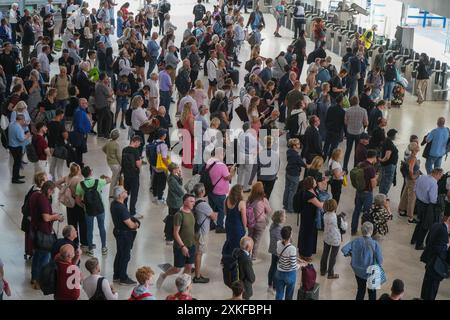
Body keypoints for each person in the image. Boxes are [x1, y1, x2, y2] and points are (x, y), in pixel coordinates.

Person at [157, 194, 197, 289]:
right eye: (191, 201)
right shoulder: (179, 215)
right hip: (180, 247)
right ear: (184, 202)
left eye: (194, 201)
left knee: (188, 267)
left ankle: (184, 285)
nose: (193, 203)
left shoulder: (191, 212)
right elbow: (175, 233)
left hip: (191, 245)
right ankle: (164, 275)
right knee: (177, 269)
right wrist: (183, 246)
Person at [29, 180, 64, 290]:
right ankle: (39, 282)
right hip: (43, 232)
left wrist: (51, 214)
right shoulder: (43, 199)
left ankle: (34, 277)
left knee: (37, 256)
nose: (52, 193)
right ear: (49, 189)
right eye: (52, 191)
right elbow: (45, 218)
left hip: (35, 229)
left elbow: (40, 213)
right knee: (45, 258)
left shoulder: (35, 195)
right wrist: (56, 217)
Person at [342, 222, 383, 300]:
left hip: (358, 271)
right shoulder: (375, 244)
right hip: (371, 272)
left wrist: (351, 254)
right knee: (372, 292)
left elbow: (344, 249)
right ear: (371, 231)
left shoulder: (356, 241)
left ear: (362, 230)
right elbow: (380, 260)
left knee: (360, 290)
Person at [75, 165, 111, 257]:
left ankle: (90, 249)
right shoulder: (98, 181)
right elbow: (110, 180)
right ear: (91, 173)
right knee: (101, 227)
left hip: (89, 210)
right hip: (100, 209)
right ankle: (103, 248)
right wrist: (105, 177)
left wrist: (84, 206)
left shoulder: (80, 185)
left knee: (89, 230)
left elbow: (77, 200)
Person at [110, 186, 140, 285]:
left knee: (120, 253)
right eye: (124, 191)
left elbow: (126, 217)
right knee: (125, 256)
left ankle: (117, 275)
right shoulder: (121, 208)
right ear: (119, 195)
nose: (126, 191)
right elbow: (130, 225)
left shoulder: (114, 204)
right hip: (124, 234)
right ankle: (123, 278)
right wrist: (136, 224)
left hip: (119, 231)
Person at [411, 168, 444, 250]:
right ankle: (419, 245)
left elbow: (414, 189)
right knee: (425, 225)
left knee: (420, 221)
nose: (441, 177)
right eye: (441, 175)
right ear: (437, 174)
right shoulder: (433, 183)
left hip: (419, 202)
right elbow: (433, 199)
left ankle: (413, 239)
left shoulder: (422, 177)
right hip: (428, 206)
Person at [56, 163, 87, 249]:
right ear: (78, 170)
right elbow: (81, 193)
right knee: (82, 223)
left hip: (69, 202)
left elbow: (56, 183)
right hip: (77, 202)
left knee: (72, 223)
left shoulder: (67, 177)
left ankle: (74, 241)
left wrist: (64, 190)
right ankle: (84, 242)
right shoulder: (79, 180)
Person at [206, 147, 236, 233]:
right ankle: (219, 226)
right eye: (223, 154)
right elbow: (227, 177)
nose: (224, 156)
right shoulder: (222, 166)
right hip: (219, 192)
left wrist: (226, 168)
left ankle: (211, 224)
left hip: (210, 189)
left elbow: (216, 171)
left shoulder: (210, 161)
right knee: (222, 209)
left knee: (211, 208)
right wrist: (232, 172)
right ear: (220, 154)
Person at [420, 217, 450, 300]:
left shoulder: (436, 225)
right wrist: (447, 245)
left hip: (429, 260)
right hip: (436, 266)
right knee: (432, 289)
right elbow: (439, 249)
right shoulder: (444, 233)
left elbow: (428, 241)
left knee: (426, 284)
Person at [193, 183, 217, 283]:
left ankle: (195, 269)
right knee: (199, 253)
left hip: (195, 230)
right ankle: (197, 276)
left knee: (196, 251)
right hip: (202, 233)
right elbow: (213, 217)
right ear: (202, 192)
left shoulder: (193, 201)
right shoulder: (203, 204)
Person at [351, 149, 378, 235]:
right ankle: (365, 232)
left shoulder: (360, 164)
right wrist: (376, 177)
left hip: (358, 192)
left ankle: (353, 229)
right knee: (367, 213)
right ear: (374, 157)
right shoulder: (371, 169)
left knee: (356, 211)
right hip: (367, 194)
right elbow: (373, 185)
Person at [298, 176, 323, 261]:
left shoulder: (310, 190)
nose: (316, 181)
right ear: (311, 184)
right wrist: (327, 202)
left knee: (307, 233)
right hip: (309, 217)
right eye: (314, 181)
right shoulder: (309, 195)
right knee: (308, 235)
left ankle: (304, 251)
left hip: (309, 216)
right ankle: (306, 254)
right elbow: (320, 205)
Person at [320, 199, 346, 279]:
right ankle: (330, 273)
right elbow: (344, 227)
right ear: (335, 207)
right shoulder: (338, 218)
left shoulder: (325, 215)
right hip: (335, 240)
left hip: (327, 237)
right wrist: (344, 221)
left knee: (325, 254)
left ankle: (323, 270)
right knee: (333, 256)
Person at [247, 182, 272, 259]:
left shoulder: (249, 200)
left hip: (250, 222)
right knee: (256, 240)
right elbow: (269, 211)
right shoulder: (264, 200)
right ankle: (253, 256)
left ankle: (247, 253)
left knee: (250, 237)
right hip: (260, 223)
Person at [343, 96, 368, 172]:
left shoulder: (348, 110)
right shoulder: (363, 110)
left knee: (348, 150)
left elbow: (345, 122)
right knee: (357, 151)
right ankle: (355, 167)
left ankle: (345, 167)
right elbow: (366, 122)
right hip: (359, 133)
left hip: (350, 132)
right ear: (358, 101)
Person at [398, 142, 421, 223]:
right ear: (415, 149)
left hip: (407, 179)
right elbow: (411, 169)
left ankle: (402, 209)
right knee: (412, 197)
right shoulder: (413, 158)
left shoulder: (410, 156)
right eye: (417, 145)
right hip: (412, 180)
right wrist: (413, 177)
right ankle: (410, 217)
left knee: (405, 194)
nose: (419, 146)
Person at [222, 185, 247, 257]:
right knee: (237, 244)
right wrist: (245, 228)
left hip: (228, 224)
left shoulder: (226, 199)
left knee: (229, 241)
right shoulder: (241, 203)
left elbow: (225, 213)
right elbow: (244, 218)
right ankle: (234, 260)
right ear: (239, 193)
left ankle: (227, 257)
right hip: (237, 226)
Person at [275, 226, 299, 300]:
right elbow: (293, 265)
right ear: (290, 235)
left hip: (279, 272)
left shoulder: (278, 243)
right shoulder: (292, 249)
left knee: (279, 294)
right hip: (290, 274)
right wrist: (299, 265)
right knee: (289, 295)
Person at [122, 136, 143, 218]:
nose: (139, 145)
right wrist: (140, 160)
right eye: (139, 143)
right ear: (136, 141)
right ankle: (132, 212)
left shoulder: (124, 149)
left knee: (126, 193)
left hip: (126, 175)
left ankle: (124, 210)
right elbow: (138, 164)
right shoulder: (135, 151)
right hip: (134, 175)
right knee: (134, 194)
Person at [283, 138, 306, 213]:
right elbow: (304, 164)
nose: (299, 145)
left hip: (288, 172)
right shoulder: (296, 156)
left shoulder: (289, 151)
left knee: (287, 188)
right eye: (298, 144)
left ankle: (285, 204)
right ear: (294, 146)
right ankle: (290, 208)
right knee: (293, 191)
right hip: (294, 175)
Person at [165, 163, 185, 244]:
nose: (178, 169)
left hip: (173, 201)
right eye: (177, 168)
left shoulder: (172, 176)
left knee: (172, 218)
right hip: (174, 202)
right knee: (172, 219)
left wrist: (180, 176)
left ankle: (170, 235)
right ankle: (169, 237)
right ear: (173, 170)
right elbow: (180, 191)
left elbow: (180, 184)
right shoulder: (172, 180)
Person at [8, 114, 30, 184]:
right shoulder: (18, 127)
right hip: (16, 147)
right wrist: (27, 135)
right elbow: (21, 138)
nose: (24, 122)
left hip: (12, 145)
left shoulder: (11, 124)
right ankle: (15, 179)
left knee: (16, 162)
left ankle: (17, 175)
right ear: (21, 120)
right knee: (17, 163)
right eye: (24, 120)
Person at [47, 110, 67, 181]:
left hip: (51, 146)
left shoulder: (49, 123)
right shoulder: (60, 125)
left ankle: (51, 179)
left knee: (52, 164)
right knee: (60, 165)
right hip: (60, 146)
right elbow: (65, 136)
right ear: (61, 115)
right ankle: (60, 180)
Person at [151, 129, 169, 204]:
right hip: (161, 166)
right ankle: (160, 198)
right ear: (163, 136)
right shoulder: (163, 145)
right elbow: (164, 158)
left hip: (154, 165)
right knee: (161, 182)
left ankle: (155, 196)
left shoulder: (154, 142)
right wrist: (169, 166)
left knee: (155, 180)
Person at [378, 129, 399, 196]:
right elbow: (387, 156)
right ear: (392, 136)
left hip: (385, 165)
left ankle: (381, 194)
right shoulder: (389, 144)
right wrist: (382, 160)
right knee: (387, 181)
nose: (396, 136)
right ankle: (383, 195)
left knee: (383, 180)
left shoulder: (386, 141)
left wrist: (381, 160)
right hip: (389, 166)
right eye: (395, 135)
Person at [102, 129, 121, 198]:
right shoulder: (116, 144)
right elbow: (119, 156)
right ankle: (111, 193)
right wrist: (122, 164)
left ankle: (114, 191)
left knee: (115, 176)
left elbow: (103, 149)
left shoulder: (108, 142)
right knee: (115, 178)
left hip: (110, 163)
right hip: (115, 164)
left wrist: (108, 154)